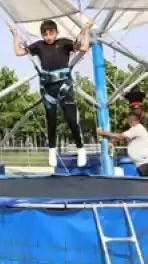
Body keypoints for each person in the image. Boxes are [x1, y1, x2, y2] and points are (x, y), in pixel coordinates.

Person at [12, 20, 90, 168]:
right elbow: (18, 52)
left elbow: (84, 47)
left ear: (56, 32)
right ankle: (52, 150)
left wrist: (86, 32)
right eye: (45, 34)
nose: (48, 36)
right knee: (51, 120)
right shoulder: (38, 46)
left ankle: (81, 148)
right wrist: (15, 34)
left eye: (51, 33)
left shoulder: (65, 43)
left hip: (64, 86)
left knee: (72, 119)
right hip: (48, 88)